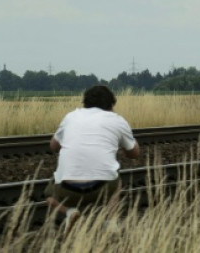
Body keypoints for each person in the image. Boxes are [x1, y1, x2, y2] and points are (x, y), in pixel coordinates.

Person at [45, 85, 140, 234]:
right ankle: (111, 222)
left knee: (49, 194)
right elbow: (134, 153)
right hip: (102, 188)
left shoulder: (71, 116)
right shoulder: (117, 120)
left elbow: (53, 146)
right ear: (111, 105)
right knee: (117, 179)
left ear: (85, 103)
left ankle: (70, 212)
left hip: (67, 190)